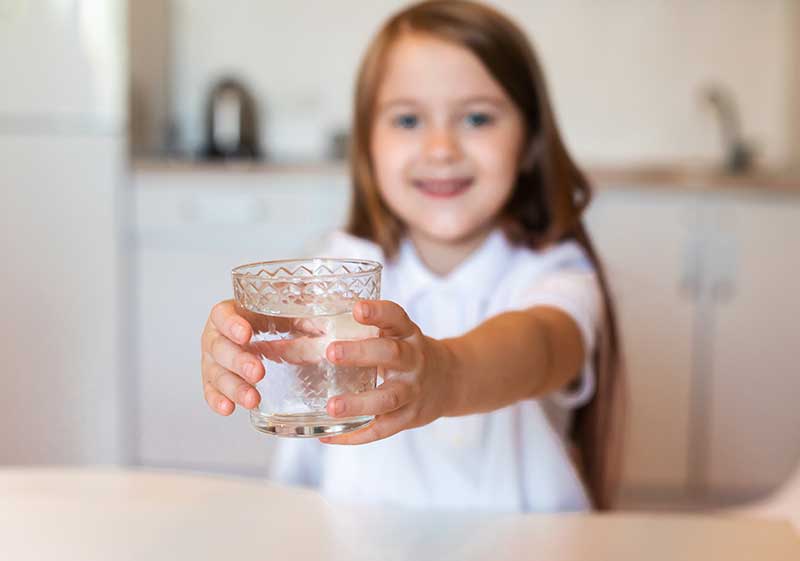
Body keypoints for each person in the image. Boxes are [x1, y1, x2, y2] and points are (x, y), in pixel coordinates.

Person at [200, 0, 624, 512]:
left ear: (530, 140)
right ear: (367, 145)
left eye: (476, 117)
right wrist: (240, 348)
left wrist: (444, 375)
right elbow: (293, 361)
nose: (440, 147)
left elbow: (540, 349)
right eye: (407, 119)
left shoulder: (554, 274)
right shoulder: (339, 264)